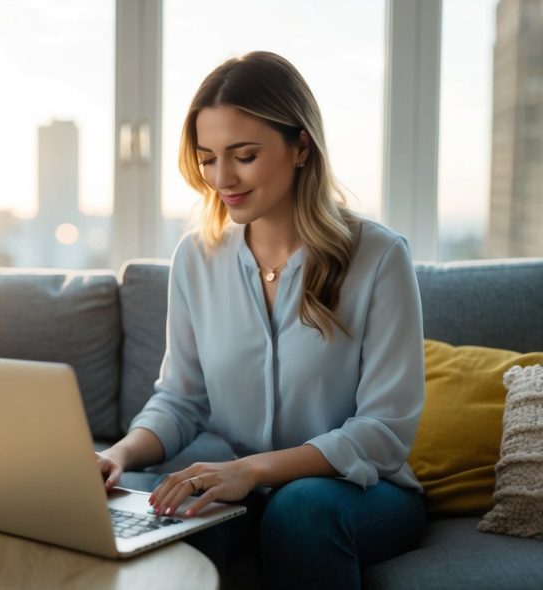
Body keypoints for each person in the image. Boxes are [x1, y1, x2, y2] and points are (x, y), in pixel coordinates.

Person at [96, 51, 426, 589]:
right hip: (238, 488)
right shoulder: (195, 258)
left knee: (301, 509)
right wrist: (116, 454)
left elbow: (385, 431)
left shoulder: (380, 257)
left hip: (358, 491)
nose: (221, 178)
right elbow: (181, 399)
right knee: (172, 518)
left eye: (243, 155)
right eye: (206, 158)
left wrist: (253, 470)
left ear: (301, 147)